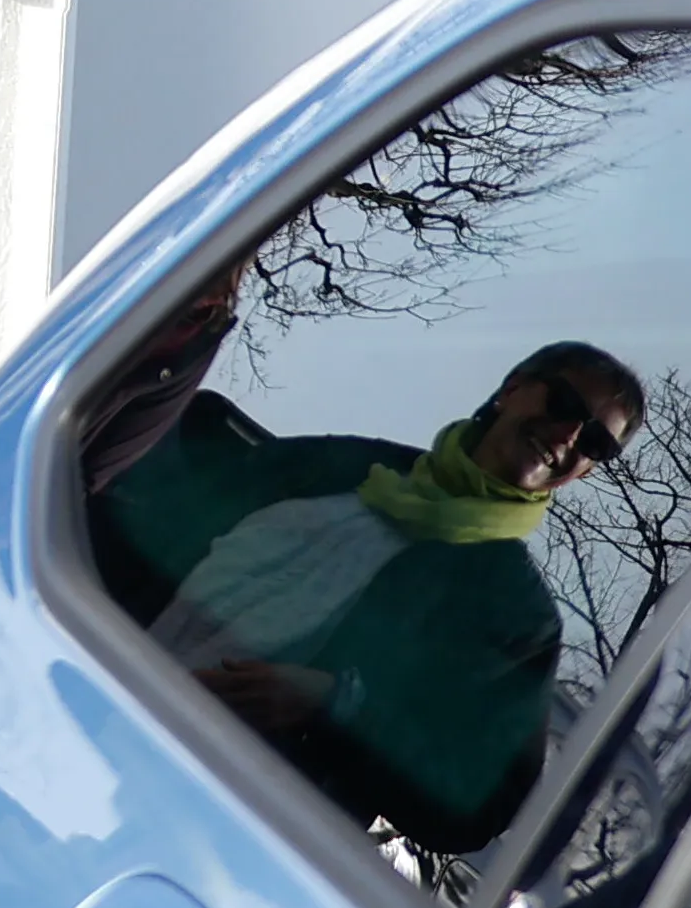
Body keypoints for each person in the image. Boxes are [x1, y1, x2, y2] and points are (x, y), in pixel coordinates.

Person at [87, 338, 647, 853]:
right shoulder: (344, 466)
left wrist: (337, 706)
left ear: (587, 471)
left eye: (595, 442)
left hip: (211, 835)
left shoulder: (514, 615)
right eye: (564, 404)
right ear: (512, 388)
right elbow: (150, 524)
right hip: (86, 713)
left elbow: (476, 805)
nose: (568, 435)